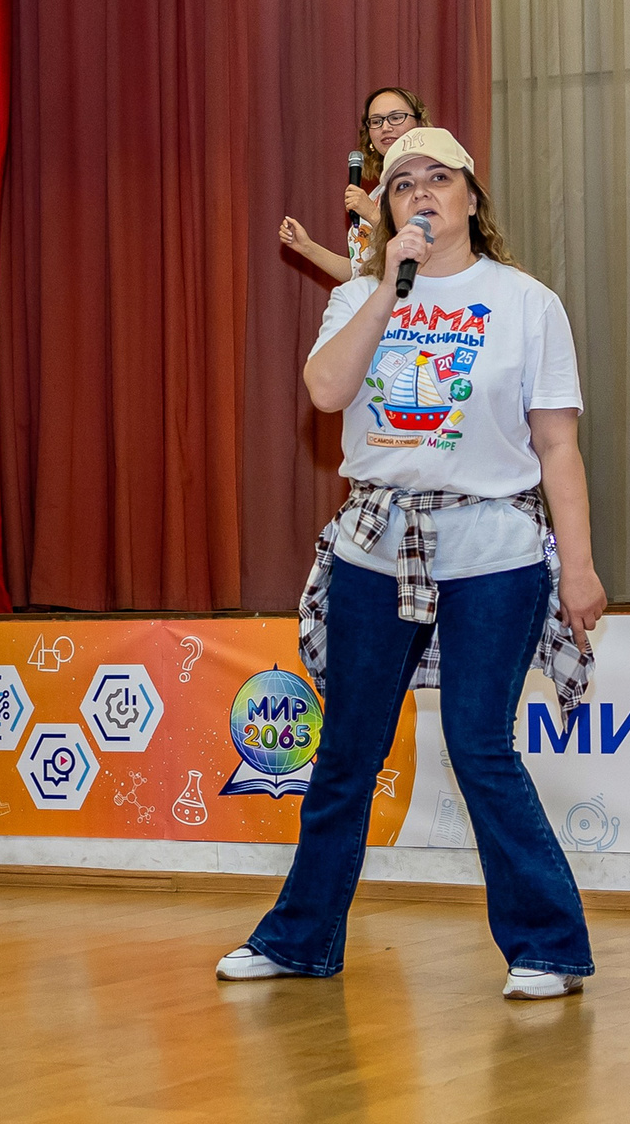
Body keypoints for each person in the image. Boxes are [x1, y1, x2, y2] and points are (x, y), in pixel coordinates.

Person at [219, 128, 609, 1001]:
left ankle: (547, 944)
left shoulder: (526, 301)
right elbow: (325, 392)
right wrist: (387, 289)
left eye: (440, 179)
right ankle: (301, 938)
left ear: (472, 196)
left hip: (494, 549)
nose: (422, 194)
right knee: (347, 751)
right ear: (388, 208)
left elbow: (558, 447)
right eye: (403, 184)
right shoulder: (361, 294)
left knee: (479, 746)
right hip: (374, 545)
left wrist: (577, 567)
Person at [280, 88, 429, 282]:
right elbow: (360, 274)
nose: (385, 127)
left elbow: (430, 260)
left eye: (396, 117)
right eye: (376, 121)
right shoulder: (378, 193)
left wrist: (373, 216)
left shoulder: (433, 184)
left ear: (419, 123)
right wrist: (307, 247)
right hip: (370, 308)